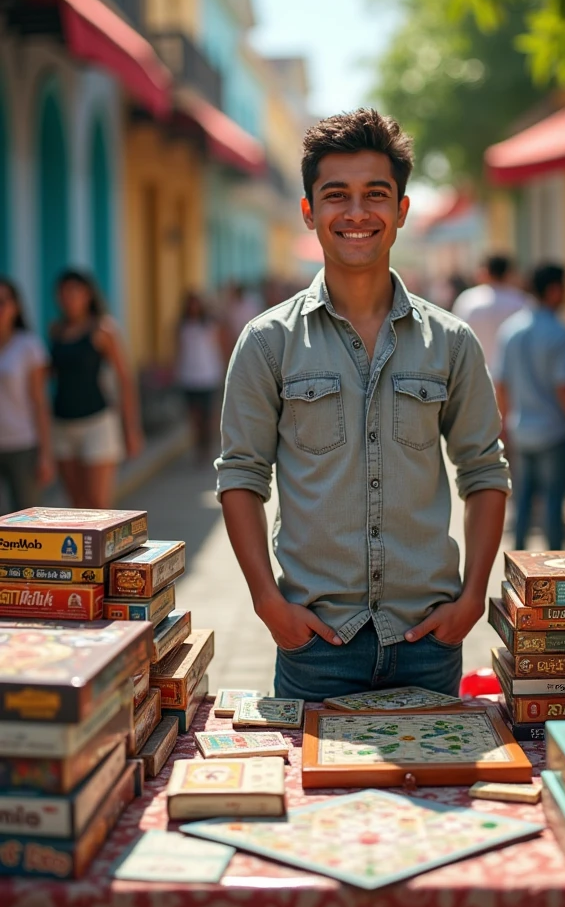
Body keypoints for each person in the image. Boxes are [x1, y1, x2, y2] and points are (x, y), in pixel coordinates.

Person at [216, 108, 510, 702]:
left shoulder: (451, 342)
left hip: (429, 642)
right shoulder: (267, 342)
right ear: (308, 212)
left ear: (401, 211)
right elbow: (241, 476)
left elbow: (484, 471)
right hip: (314, 648)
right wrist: (267, 603)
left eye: (375, 195)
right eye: (336, 196)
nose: (356, 213)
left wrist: (473, 596)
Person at [493, 264, 565, 551]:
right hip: (555, 431)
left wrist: (504, 425)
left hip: (522, 430)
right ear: (554, 290)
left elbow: (501, 385)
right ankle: (555, 574)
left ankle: (517, 567)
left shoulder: (511, 330)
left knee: (522, 502)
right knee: (554, 505)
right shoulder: (562, 333)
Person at [50, 270, 143, 509]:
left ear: (88, 295)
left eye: (74, 291)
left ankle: (102, 548)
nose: (68, 297)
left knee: (98, 505)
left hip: (97, 422)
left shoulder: (104, 330)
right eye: (63, 292)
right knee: (75, 505)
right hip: (62, 424)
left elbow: (125, 381)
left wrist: (130, 429)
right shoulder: (56, 331)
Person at [0, 278, 54, 511]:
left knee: (24, 519)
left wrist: (45, 454)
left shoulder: (28, 346)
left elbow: (39, 401)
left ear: (16, 306)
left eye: (2, 301)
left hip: (22, 445)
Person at [451, 254, 528, 373]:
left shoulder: (467, 301)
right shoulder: (520, 301)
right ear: (509, 273)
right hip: (511, 376)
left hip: (475, 375)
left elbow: (454, 339)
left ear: (485, 272)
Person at [176, 291, 225, 464]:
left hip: (208, 376)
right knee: (194, 416)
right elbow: (178, 351)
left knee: (207, 415)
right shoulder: (182, 327)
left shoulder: (210, 325)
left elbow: (221, 346)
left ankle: (206, 446)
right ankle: (198, 446)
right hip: (188, 377)